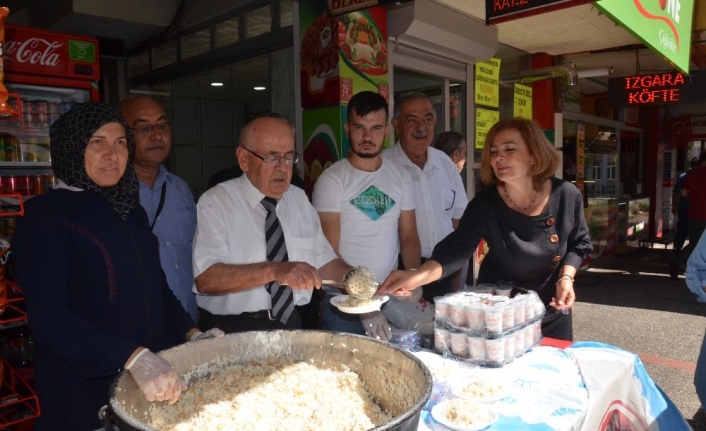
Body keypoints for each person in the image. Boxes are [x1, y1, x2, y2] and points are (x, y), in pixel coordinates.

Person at [10, 102, 223, 431]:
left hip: (146, 381)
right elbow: (49, 320)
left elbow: (158, 290)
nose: (112, 154)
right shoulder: (46, 216)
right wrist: (131, 355)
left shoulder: (129, 209)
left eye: (121, 142)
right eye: (98, 142)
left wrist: (192, 334)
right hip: (83, 392)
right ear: (73, 146)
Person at [379, 117, 592, 341]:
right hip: (499, 312)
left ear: (534, 155)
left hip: (551, 308)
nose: (498, 157)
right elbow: (455, 249)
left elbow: (580, 243)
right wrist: (415, 277)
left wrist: (565, 278)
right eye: (493, 151)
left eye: (509, 149)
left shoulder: (566, 194)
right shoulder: (486, 203)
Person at [192, 114, 353, 333]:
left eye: (289, 157)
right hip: (232, 329)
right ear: (244, 159)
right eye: (271, 157)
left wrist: (358, 280)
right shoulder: (216, 202)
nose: (283, 167)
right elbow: (207, 279)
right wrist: (276, 270)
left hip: (292, 323)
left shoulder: (298, 200)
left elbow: (324, 262)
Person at [313, 91, 421, 339]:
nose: (367, 136)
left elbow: (409, 235)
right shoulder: (332, 180)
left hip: (388, 298)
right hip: (344, 304)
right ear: (347, 128)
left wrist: (413, 274)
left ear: (386, 131)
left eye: (375, 128)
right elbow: (328, 252)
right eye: (360, 127)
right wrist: (362, 302)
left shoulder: (401, 177)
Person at [383, 92, 468, 302]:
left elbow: (459, 221)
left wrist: (457, 267)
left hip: (445, 266)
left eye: (428, 120)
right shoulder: (383, 167)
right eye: (412, 120)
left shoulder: (445, 164)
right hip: (399, 271)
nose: (421, 128)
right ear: (396, 124)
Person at [119, 95, 198, 320]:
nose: (157, 135)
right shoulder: (109, 193)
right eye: (144, 128)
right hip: (136, 326)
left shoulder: (180, 190)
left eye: (162, 126)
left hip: (186, 322)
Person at [674, 151, 706, 278]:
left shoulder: (691, 175)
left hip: (694, 214)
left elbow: (684, 194)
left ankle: (677, 261)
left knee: (694, 243)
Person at [669, 156, 699, 279]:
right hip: (694, 210)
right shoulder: (693, 176)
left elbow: (676, 192)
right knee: (695, 238)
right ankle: (679, 258)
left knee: (681, 231)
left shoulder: (684, 176)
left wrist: (674, 205)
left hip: (684, 208)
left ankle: (677, 251)